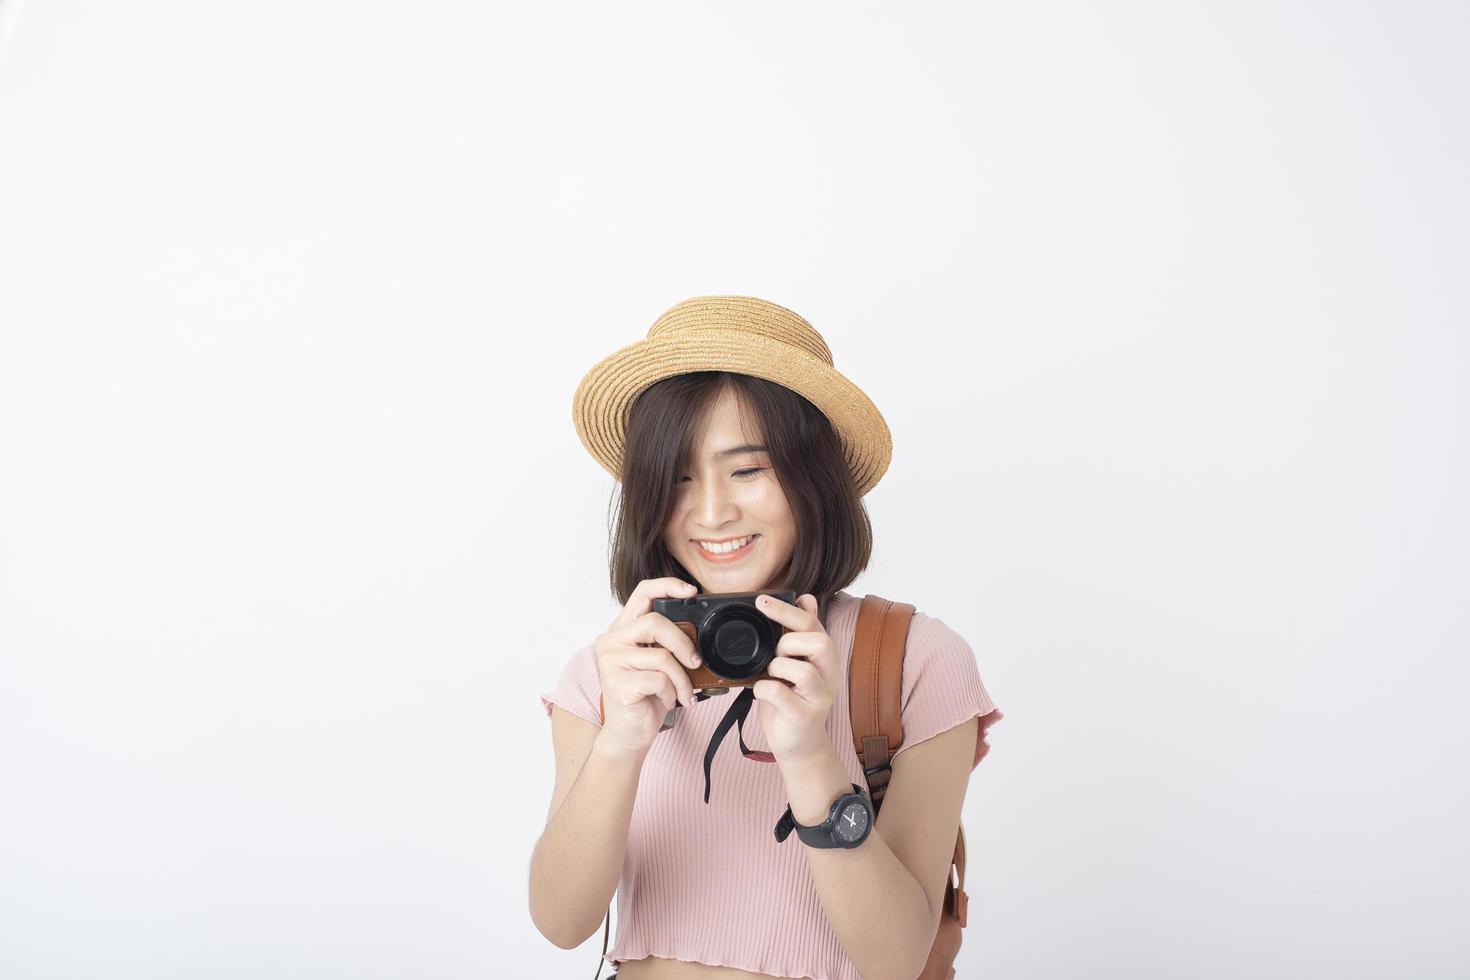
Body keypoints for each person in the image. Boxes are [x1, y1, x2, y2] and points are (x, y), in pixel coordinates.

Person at [529, 295, 1004, 980]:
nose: (713, 511)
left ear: (813, 476)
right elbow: (561, 921)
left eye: (748, 470)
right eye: (678, 477)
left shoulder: (910, 661)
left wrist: (809, 753)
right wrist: (619, 744)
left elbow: (897, 959)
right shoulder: (611, 668)